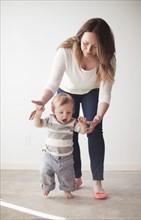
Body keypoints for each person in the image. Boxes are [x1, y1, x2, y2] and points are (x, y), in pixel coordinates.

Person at [30, 18, 116, 200]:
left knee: (94, 131)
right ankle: (76, 177)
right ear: (79, 39)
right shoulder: (66, 51)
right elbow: (53, 83)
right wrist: (42, 101)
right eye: (85, 44)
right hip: (67, 91)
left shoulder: (108, 58)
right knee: (70, 131)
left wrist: (99, 116)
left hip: (91, 91)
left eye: (95, 46)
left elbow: (105, 94)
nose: (88, 50)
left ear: (103, 45)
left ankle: (97, 182)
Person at [33, 93, 87, 199]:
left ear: (73, 112)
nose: (65, 116)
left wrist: (83, 123)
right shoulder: (50, 119)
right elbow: (38, 124)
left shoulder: (72, 122)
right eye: (61, 112)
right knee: (44, 171)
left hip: (66, 157)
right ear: (53, 111)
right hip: (49, 156)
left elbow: (83, 131)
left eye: (69, 112)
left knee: (67, 176)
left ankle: (67, 190)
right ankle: (47, 187)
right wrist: (38, 113)